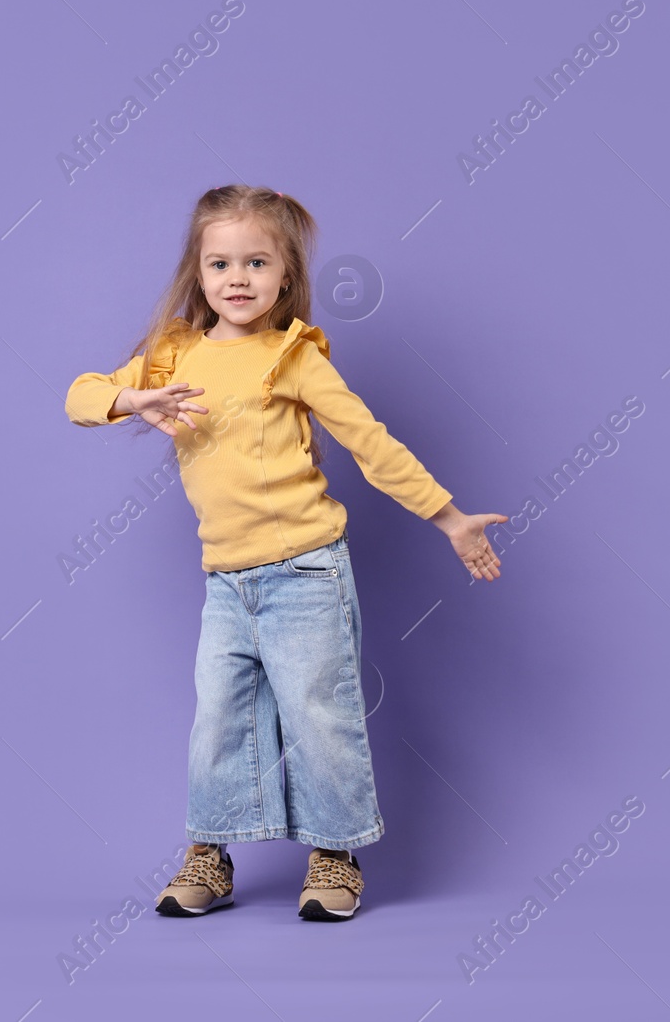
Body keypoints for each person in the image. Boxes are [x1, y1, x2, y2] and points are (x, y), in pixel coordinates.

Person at [64, 185, 505, 921]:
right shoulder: (173, 353)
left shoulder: (292, 355)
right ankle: (211, 850)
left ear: (284, 276)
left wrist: (449, 516)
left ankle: (335, 851)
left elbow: (371, 443)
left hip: (305, 572)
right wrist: (128, 399)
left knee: (317, 712)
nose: (237, 278)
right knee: (219, 718)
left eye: (257, 262)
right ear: (198, 272)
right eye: (221, 263)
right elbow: (79, 395)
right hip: (225, 582)